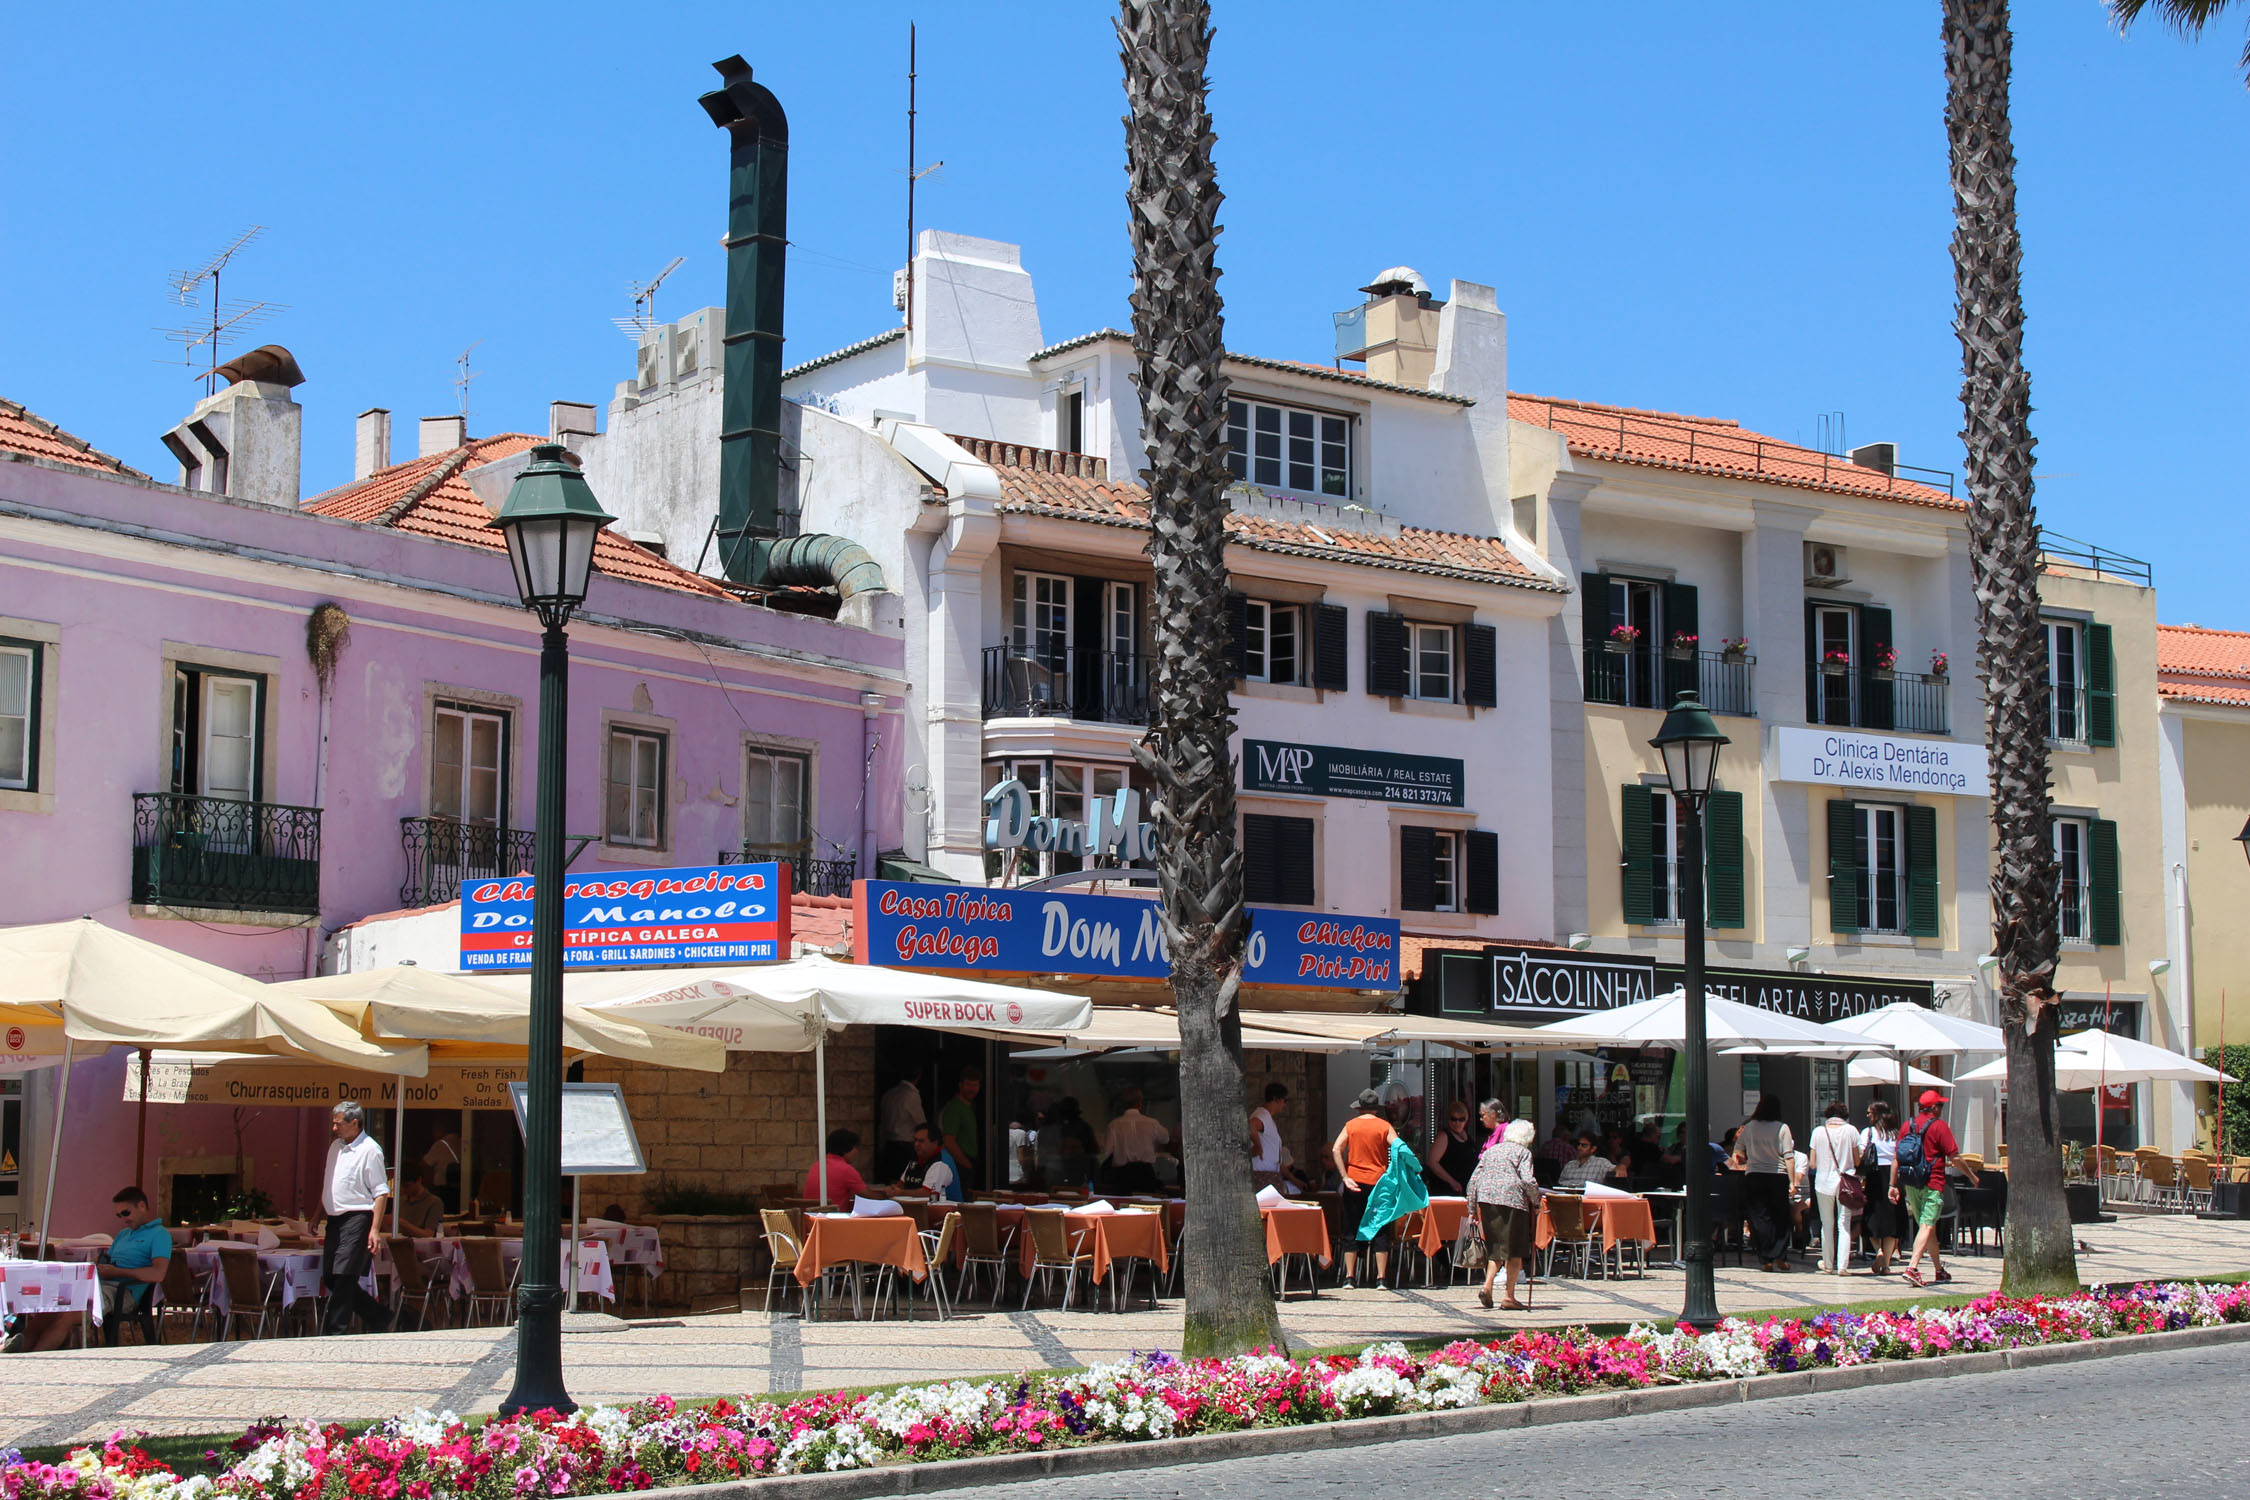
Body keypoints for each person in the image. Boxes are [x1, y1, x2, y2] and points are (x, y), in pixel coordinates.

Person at [16, 1186, 172, 1351]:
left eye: (126, 1213)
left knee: (66, 1315)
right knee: (48, 1311)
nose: (123, 1219)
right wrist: (100, 1266)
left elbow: (158, 1274)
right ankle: (12, 1358)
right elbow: (109, 1260)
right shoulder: (123, 1234)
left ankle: (34, 1359)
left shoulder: (159, 1234)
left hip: (123, 1292)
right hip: (100, 1285)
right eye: (119, 1215)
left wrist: (117, 1272)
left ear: (141, 1206)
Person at [321, 1101, 393, 1335]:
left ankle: (336, 1331)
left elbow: (381, 1192)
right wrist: (316, 1215)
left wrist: (374, 1229)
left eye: (338, 1124)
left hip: (358, 1218)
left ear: (354, 1123)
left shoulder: (370, 1150)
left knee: (344, 1276)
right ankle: (379, 1315)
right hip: (334, 1219)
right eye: (333, 1123)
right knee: (331, 1277)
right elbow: (330, 1184)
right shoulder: (335, 1148)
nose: (334, 1129)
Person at [1893, 1090, 1977, 1288]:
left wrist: (1892, 1184)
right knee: (1928, 1225)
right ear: (1932, 1108)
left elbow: (1897, 1156)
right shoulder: (1939, 1126)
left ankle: (1939, 1270)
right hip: (1933, 1182)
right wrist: (1972, 1176)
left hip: (1912, 1182)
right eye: (1940, 1105)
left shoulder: (1908, 1125)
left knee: (1926, 1226)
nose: (1941, 1109)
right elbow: (1955, 1157)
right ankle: (1912, 1268)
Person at [1467, 1111, 1538, 1312]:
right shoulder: (1523, 1153)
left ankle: (1488, 1286)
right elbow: (1528, 1180)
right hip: (1512, 1201)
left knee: (1497, 1245)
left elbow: (1473, 1180)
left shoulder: (1491, 1151)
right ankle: (1509, 1296)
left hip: (1487, 1200)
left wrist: (1472, 1209)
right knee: (1514, 1249)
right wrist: (1536, 1201)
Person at [1330, 1089, 1400, 1286]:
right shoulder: (1384, 1126)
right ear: (1376, 1109)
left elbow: (1336, 1148)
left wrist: (1344, 1176)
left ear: (1359, 1108)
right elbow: (1398, 1148)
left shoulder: (1351, 1126)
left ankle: (1349, 1277)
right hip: (1379, 1184)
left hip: (1354, 1182)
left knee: (1351, 1226)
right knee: (1380, 1227)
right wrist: (1392, 1175)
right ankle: (1381, 1278)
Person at [1733, 1095, 1797, 1273]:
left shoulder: (1750, 1127)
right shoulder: (1783, 1128)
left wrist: (1745, 1158)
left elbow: (1738, 1149)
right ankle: (1780, 1257)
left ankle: (1765, 1258)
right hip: (1777, 1175)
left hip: (1754, 1175)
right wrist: (1793, 1182)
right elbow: (1789, 1156)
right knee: (1781, 1217)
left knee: (1759, 1217)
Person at [1808, 1102, 1864, 1276]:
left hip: (1823, 1182)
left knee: (1827, 1224)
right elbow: (1857, 1161)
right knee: (1844, 1224)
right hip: (1844, 1183)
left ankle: (1828, 1264)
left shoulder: (1818, 1132)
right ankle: (1843, 1266)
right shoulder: (1851, 1131)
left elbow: (1812, 1163)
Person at [1860, 1100, 1906, 1274]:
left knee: (1871, 1218)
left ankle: (1878, 1250)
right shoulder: (1896, 1134)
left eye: (1869, 1113)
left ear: (1876, 1114)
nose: (1867, 1116)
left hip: (1875, 1176)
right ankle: (1886, 1264)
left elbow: (1860, 1153)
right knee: (1893, 1223)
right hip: (1894, 1178)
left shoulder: (1869, 1133)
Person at [1422, 1101, 1481, 1196]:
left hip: (1465, 1191)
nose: (1457, 1123)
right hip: (1448, 1191)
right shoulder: (1444, 1136)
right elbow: (1432, 1162)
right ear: (1448, 1119)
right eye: (1454, 1119)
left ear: (1466, 1120)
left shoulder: (1466, 1136)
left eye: (1461, 1119)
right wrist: (1452, 1182)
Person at [876, 1075, 926, 1182]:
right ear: (918, 1078)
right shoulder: (911, 1095)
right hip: (906, 1146)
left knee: (891, 1181)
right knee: (905, 1182)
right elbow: (921, 1123)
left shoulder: (889, 1094)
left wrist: (880, 1145)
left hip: (889, 1144)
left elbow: (882, 1122)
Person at [938, 1066, 982, 1188]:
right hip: (959, 1164)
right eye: (968, 1085)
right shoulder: (954, 1108)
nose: (972, 1089)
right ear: (960, 1085)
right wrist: (966, 1164)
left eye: (975, 1085)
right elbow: (949, 1141)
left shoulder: (969, 1107)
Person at [898, 1123, 963, 1202]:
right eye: (915, 1140)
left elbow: (927, 1193)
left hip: (947, 1211)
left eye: (921, 1141)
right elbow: (901, 1185)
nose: (916, 1144)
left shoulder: (942, 1162)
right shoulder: (917, 1157)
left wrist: (899, 1192)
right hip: (919, 1209)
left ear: (935, 1143)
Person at [803, 1129, 867, 1205]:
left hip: (811, 1215)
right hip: (831, 1215)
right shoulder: (845, 1169)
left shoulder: (817, 1165)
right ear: (847, 1148)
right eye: (856, 1148)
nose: (857, 1152)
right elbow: (868, 1196)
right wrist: (883, 1194)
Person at [1250, 1083, 1290, 1191]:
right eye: (1285, 1101)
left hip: (1270, 1174)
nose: (1285, 1105)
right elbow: (1250, 1126)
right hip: (1263, 1176)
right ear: (1276, 1099)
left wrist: (1294, 1179)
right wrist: (1258, 1146)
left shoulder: (1266, 1117)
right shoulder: (1262, 1115)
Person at [392, 1160, 447, 1237]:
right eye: (400, 1186)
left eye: (407, 1186)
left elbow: (428, 1234)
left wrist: (402, 1223)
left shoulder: (434, 1202)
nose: (403, 1190)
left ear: (419, 1180)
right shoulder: (400, 1201)